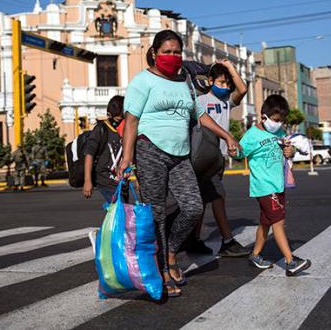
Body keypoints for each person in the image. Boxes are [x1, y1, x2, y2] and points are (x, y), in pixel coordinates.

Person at [118, 29, 241, 298]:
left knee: (194, 207)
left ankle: (172, 251)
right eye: (167, 52)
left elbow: (200, 115)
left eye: (176, 52)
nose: (172, 57)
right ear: (154, 53)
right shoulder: (142, 81)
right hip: (150, 149)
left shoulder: (185, 80)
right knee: (158, 213)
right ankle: (162, 269)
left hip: (181, 154)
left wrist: (228, 135)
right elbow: (131, 121)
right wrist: (127, 158)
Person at [235, 94, 311, 276]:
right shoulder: (252, 135)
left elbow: (287, 151)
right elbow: (238, 153)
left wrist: (290, 151)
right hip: (264, 186)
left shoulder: (279, 133)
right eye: (276, 120)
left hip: (278, 185)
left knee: (266, 222)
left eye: (282, 121)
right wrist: (232, 150)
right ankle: (290, 262)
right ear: (263, 116)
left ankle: (255, 255)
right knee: (278, 222)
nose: (279, 124)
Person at [187, 60, 250, 257]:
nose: (225, 87)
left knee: (204, 200)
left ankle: (194, 240)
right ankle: (227, 241)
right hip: (204, 158)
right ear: (210, 81)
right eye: (221, 83)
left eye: (227, 84)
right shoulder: (201, 101)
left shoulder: (225, 103)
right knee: (218, 196)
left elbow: (243, 89)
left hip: (218, 158)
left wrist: (231, 68)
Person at [83, 95, 125, 203]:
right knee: (118, 213)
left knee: (120, 216)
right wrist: (87, 181)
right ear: (109, 115)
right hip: (105, 181)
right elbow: (89, 154)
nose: (120, 121)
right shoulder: (101, 130)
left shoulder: (125, 131)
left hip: (121, 183)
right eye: (118, 119)